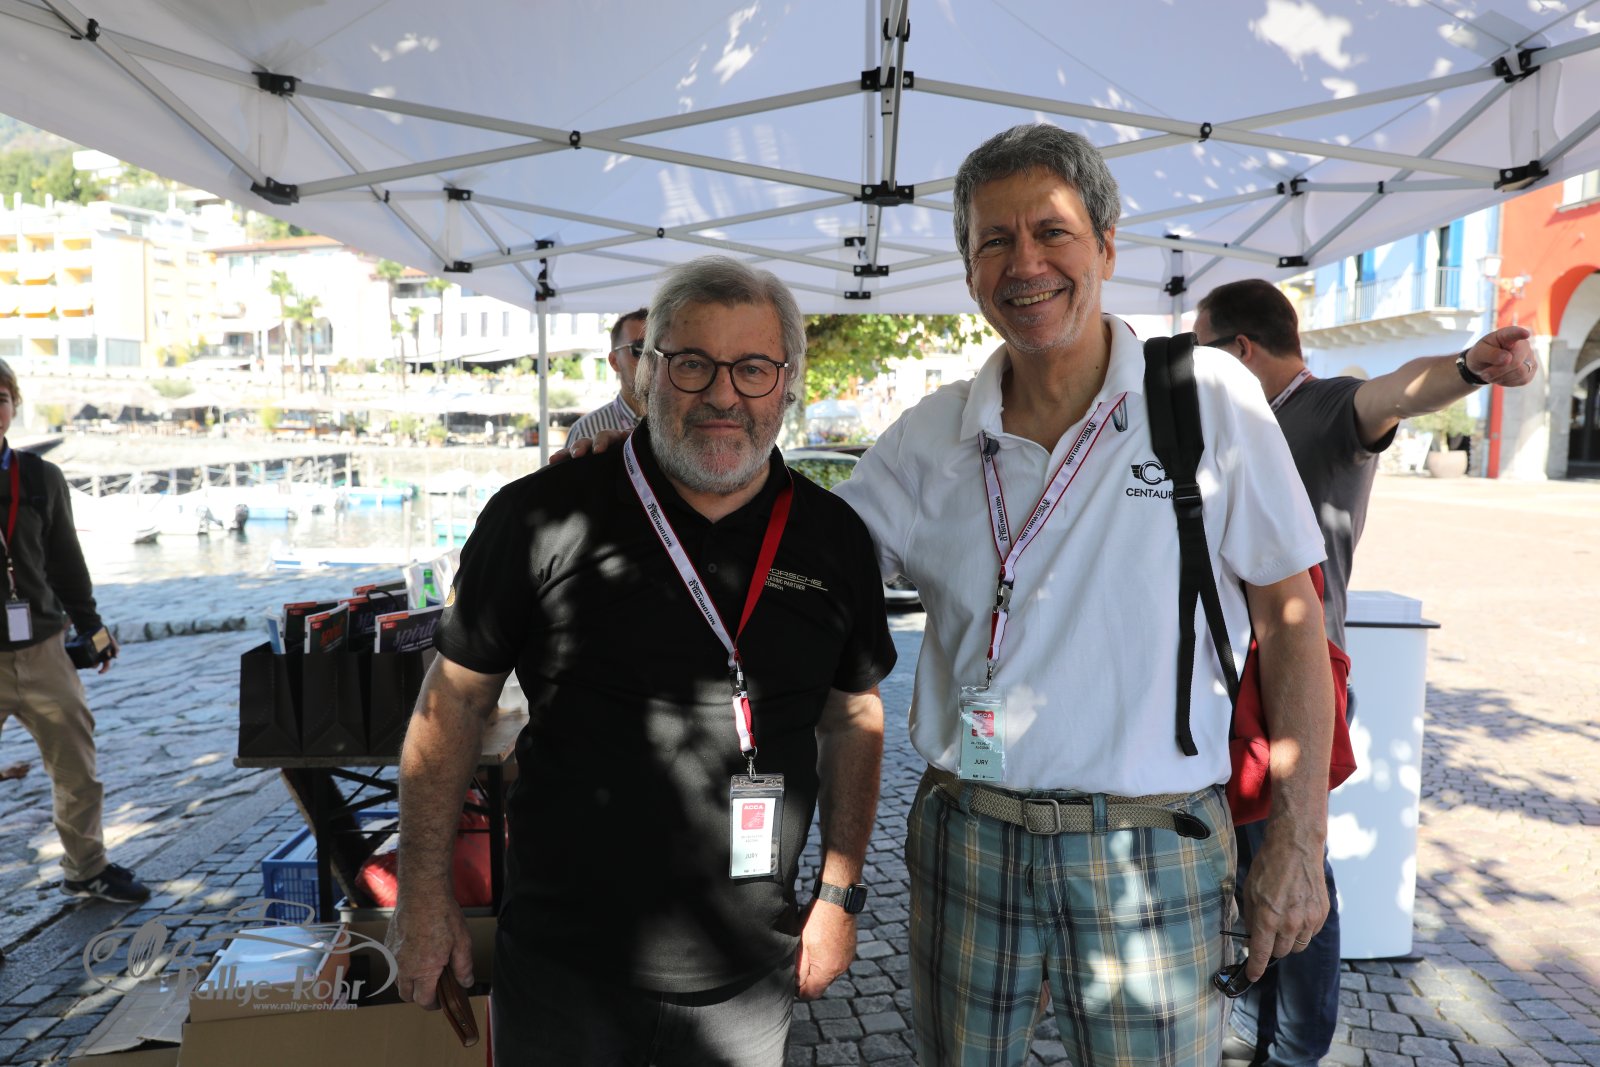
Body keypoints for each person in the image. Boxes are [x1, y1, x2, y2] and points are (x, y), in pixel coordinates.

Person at [831, 124, 1335, 1067]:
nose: (1024, 264)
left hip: (1155, 846)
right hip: (969, 835)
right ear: (969, 270)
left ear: (1106, 245)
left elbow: (1293, 621)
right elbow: (806, 564)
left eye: (1051, 232)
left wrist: (1299, 842)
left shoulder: (1208, 398)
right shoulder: (928, 438)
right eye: (994, 240)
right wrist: (649, 465)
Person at [385, 256, 896, 1066]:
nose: (723, 394)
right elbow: (453, 703)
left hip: (747, 975)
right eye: (692, 363)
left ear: (788, 383)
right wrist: (422, 894)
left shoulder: (834, 539)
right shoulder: (539, 516)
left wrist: (839, 894)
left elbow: (854, 717)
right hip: (563, 972)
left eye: (753, 368)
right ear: (646, 372)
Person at [1193, 279, 1538, 1067]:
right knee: (1253, 861)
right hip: (1242, 682)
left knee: (1293, 859)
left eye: (1201, 350)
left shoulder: (1318, 408)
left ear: (1240, 349)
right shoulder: (1248, 420)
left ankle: (1297, 1045)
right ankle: (1260, 1024)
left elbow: (1391, 394)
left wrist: (1469, 367)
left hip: (1294, 684)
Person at [0, 359, 149, 905]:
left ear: (14, 405)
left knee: (77, 770)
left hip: (43, 652)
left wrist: (93, 629)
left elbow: (66, 562)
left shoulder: (40, 478)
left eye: (1, 398)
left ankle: (87, 868)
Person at [567, 307, 648, 441]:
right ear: (614, 361)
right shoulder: (586, 432)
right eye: (640, 349)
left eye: (657, 349)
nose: (651, 359)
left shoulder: (679, 423)